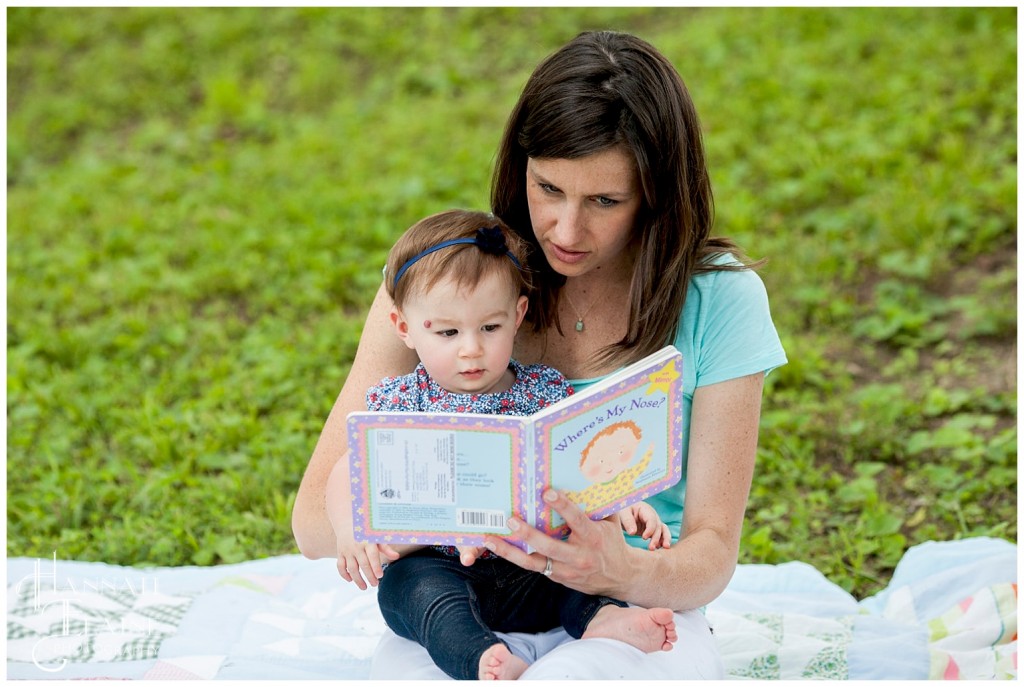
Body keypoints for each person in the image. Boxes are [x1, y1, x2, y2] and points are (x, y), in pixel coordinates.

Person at [293, 30, 787, 679]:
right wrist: (446, 523)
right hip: (462, 594)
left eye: (605, 201)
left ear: (657, 195)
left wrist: (624, 565)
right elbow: (314, 524)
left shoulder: (720, 298)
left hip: (622, 597)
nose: (566, 230)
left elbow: (712, 553)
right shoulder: (451, 286)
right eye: (548, 188)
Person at [333, 209, 678, 680]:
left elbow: (575, 474)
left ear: (517, 315)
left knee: (582, 566)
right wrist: (348, 531)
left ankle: (603, 619)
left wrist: (622, 504)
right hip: (444, 567)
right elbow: (344, 472)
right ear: (404, 327)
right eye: (448, 332)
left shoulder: (543, 393)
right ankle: (482, 656)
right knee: (407, 590)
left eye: (489, 328)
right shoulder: (396, 403)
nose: (470, 349)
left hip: (533, 565)